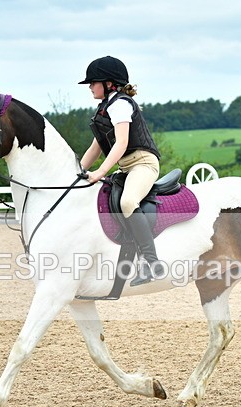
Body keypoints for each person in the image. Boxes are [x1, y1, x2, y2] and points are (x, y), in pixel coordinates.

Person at [79, 56, 164, 286]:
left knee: (128, 202)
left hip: (144, 164)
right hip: (127, 168)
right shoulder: (104, 110)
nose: (89, 86)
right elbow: (95, 148)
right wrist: (77, 172)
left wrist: (99, 173)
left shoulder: (121, 104)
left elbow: (122, 143)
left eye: (93, 81)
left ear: (108, 83)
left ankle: (151, 263)